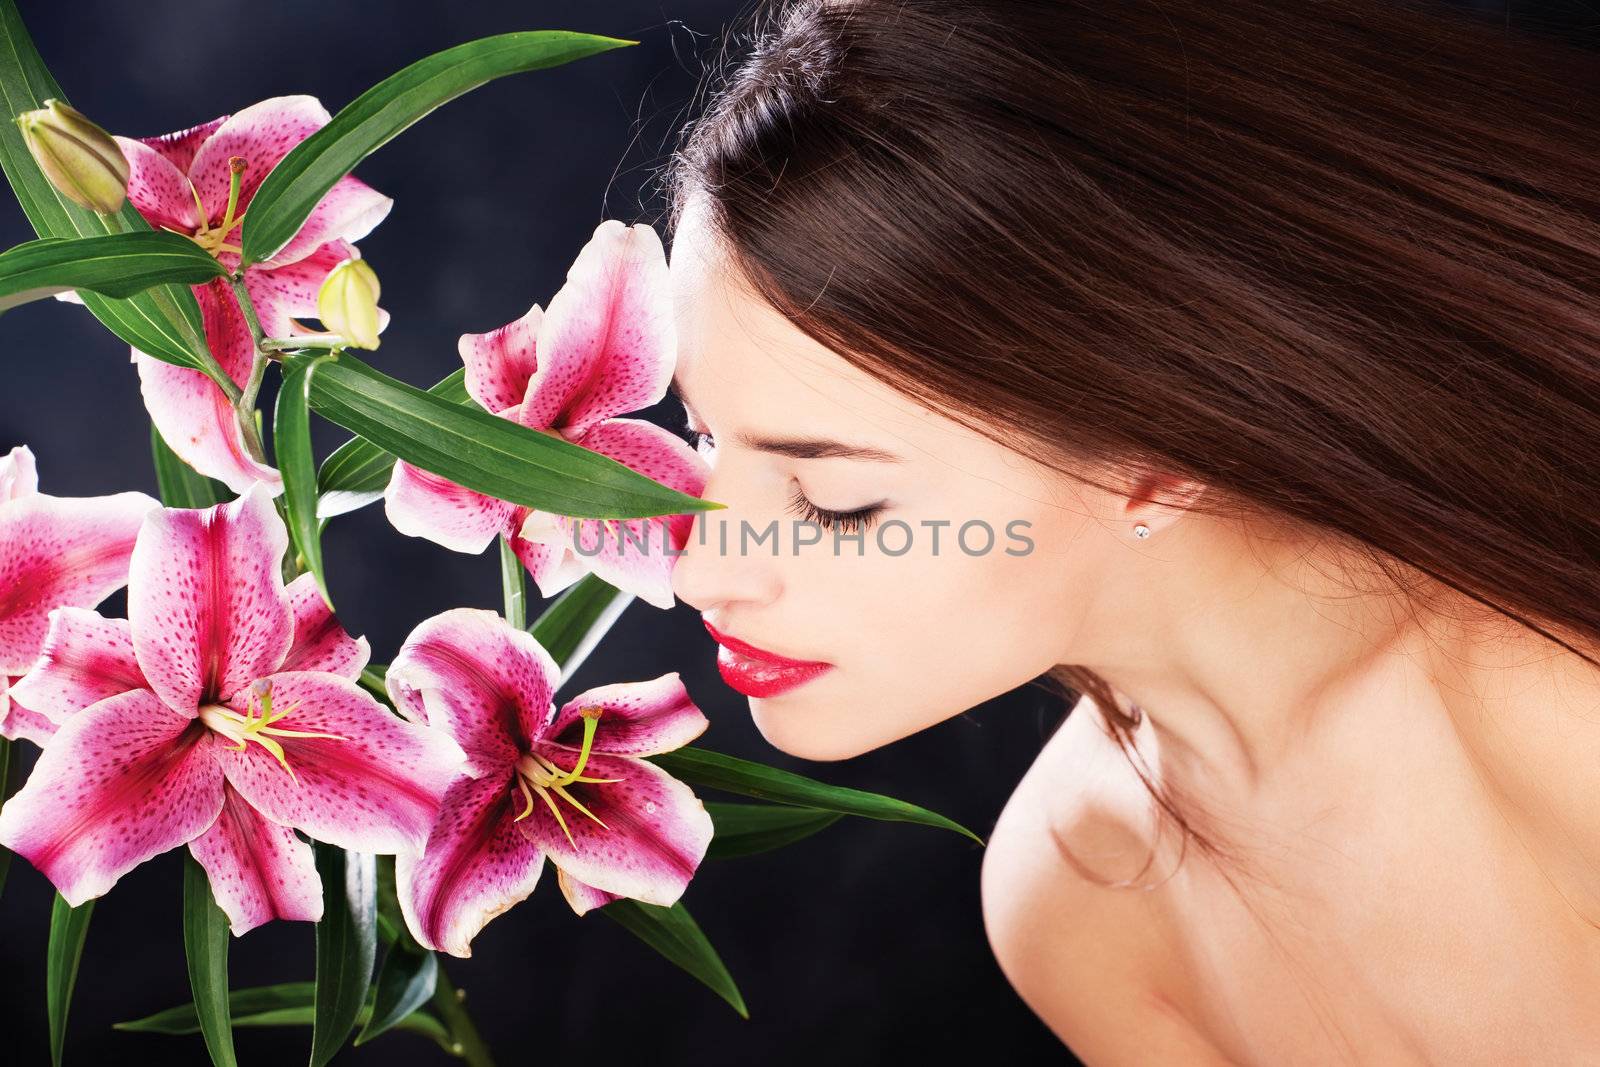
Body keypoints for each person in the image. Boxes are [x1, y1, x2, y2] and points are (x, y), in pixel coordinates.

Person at [660, 1, 1600, 1062]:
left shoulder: (1556, 713)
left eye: (835, 499)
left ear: (1155, 454)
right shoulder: (1078, 897)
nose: (700, 567)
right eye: (701, 433)